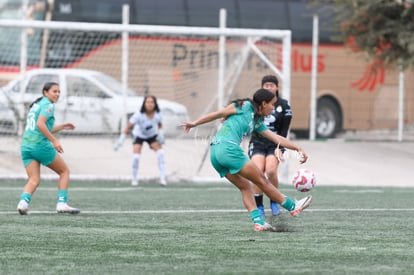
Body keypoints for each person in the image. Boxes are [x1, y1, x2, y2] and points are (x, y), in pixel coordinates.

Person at [182, 88, 312, 231]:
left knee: (245, 186)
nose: (273, 108)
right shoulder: (244, 106)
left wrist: (297, 148)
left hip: (216, 154)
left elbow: (276, 138)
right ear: (263, 103)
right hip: (228, 149)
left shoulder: (257, 121)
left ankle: (258, 222)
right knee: (261, 180)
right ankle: (293, 207)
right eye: (272, 104)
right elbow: (218, 113)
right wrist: (194, 124)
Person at [17, 82, 80, 215]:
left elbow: (43, 127)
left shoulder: (37, 105)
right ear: (45, 92)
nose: (57, 94)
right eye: (54, 91)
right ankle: (62, 204)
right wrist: (55, 140)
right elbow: (40, 124)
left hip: (26, 147)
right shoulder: (48, 105)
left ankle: (23, 203)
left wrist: (62, 126)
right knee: (64, 172)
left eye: (59, 92)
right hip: (39, 146)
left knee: (34, 179)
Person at [248, 75, 292, 218]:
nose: (269, 87)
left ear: (277, 87)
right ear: (262, 87)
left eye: (271, 85)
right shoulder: (255, 105)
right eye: (265, 85)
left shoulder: (284, 105)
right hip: (258, 142)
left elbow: (284, 131)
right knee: (258, 171)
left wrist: (280, 148)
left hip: (274, 144)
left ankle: (274, 201)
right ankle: (259, 205)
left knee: (271, 171)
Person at [114, 95, 167, 186]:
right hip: (139, 135)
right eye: (147, 102)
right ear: (144, 103)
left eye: (152, 102)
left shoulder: (157, 114)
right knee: (136, 157)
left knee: (161, 153)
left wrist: (161, 134)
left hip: (151, 136)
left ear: (155, 104)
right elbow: (128, 127)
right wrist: (121, 140)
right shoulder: (139, 115)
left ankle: (163, 178)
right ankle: (134, 179)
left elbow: (159, 124)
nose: (150, 104)